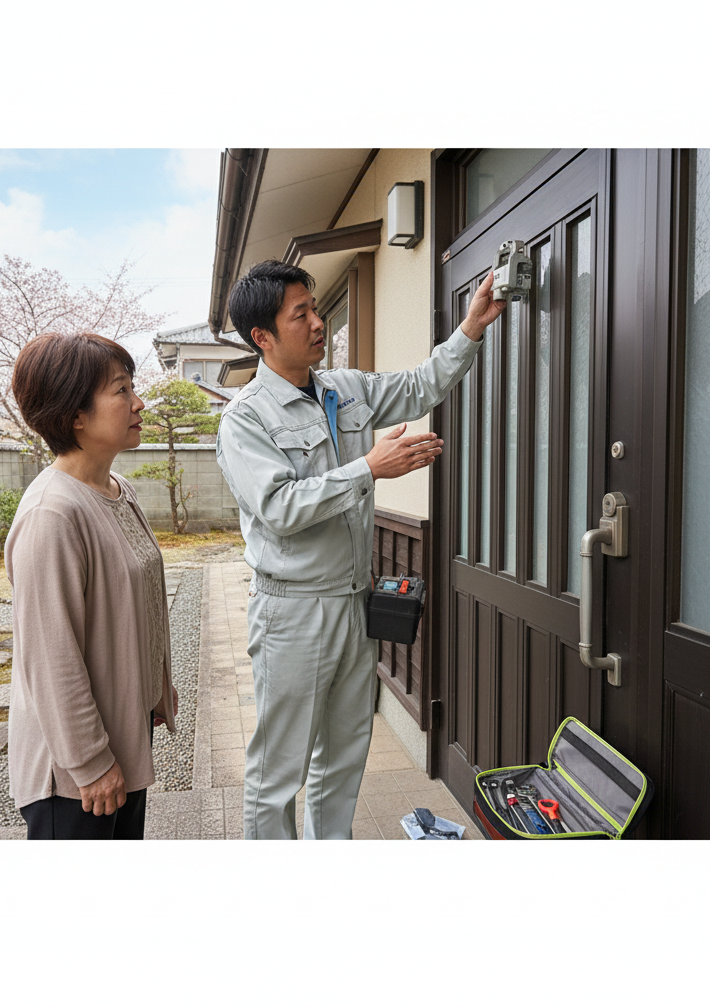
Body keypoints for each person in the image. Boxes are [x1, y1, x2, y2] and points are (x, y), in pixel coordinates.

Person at [216, 260, 505, 839]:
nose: (320, 323)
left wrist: (471, 326)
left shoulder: (343, 390)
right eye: (302, 315)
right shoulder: (245, 418)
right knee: (279, 771)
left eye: (316, 308)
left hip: (354, 603)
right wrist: (370, 467)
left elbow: (420, 384)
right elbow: (280, 509)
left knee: (343, 759)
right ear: (263, 338)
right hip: (291, 612)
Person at [5, 332, 178, 839]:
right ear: (75, 415)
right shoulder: (52, 513)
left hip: (123, 731)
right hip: (74, 773)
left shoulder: (115, 490)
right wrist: (89, 761)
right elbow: (49, 654)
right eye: (121, 390)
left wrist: (153, 687)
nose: (138, 402)